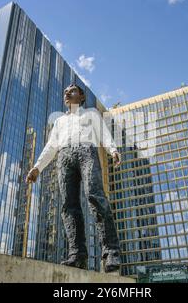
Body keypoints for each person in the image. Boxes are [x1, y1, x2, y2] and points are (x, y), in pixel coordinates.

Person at [26, 84, 122, 272]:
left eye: (72, 91)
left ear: (82, 96)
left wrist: (113, 150)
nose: (67, 93)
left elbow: (103, 132)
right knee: (69, 205)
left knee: (95, 196)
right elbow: (51, 146)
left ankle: (111, 252)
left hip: (87, 152)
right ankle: (77, 254)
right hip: (64, 157)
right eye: (65, 92)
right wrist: (37, 167)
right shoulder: (60, 121)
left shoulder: (92, 113)